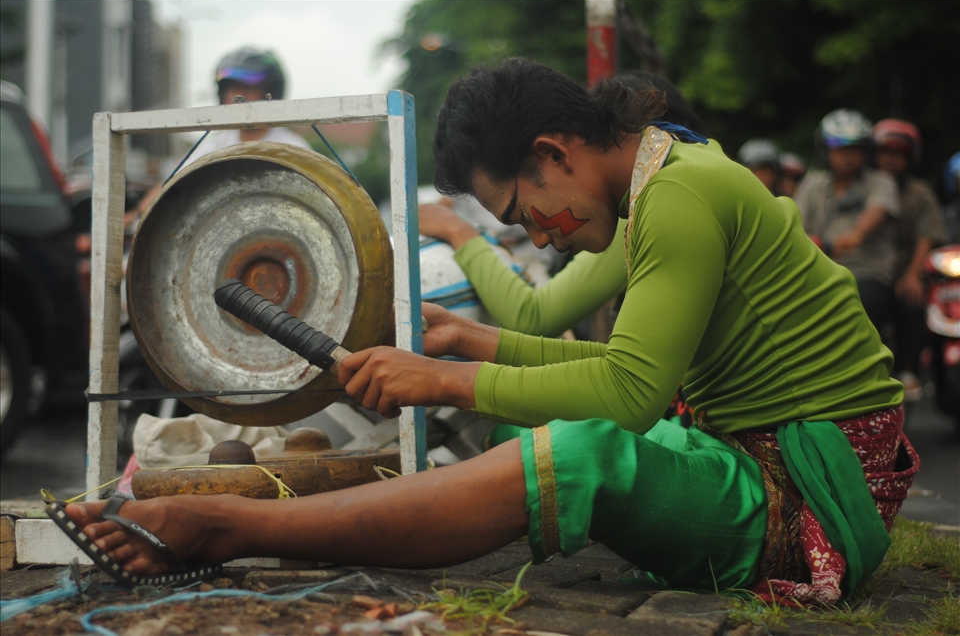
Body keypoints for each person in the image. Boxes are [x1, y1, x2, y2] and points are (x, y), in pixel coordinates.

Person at [58, 59, 916, 607]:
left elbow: (628, 392)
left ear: (554, 151)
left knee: (579, 452)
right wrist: (473, 346)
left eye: (521, 213)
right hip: (762, 456)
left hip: (811, 501)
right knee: (523, 424)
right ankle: (245, 520)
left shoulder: (680, 195)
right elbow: (617, 365)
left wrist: (442, 380)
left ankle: (229, 532)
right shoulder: (664, 181)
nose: (535, 236)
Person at [418, 71, 708, 339]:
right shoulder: (687, 177)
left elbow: (629, 383)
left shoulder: (661, 200)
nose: (540, 240)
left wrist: (457, 231)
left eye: (520, 214)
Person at [131, 47, 310, 220]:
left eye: (247, 88)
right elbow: (171, 183)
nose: (238, 96)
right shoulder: (216, 145)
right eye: (232, 88)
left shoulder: (293, 147)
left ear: (270, 93)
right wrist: (135, 216)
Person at [793, 110, 901, 337]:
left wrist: (855, 236)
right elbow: (795, 225)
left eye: (855, 148)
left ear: (866, 151)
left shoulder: (880, 182)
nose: (847, 155)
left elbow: (878, 211)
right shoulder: (813, 184)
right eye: (839, 147)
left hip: (867, 271)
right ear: (825, 149)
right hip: (817, 270)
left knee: (857, 305)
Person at [872, 119, 946, 400]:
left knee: (913, 297)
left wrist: (913, 273)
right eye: (885, 151)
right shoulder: (864, 186)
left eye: (899, 153)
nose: (891, 159)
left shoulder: (919, 192)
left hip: (904, 267)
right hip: (868, 267)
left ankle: (908, 367)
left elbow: (928, 234)